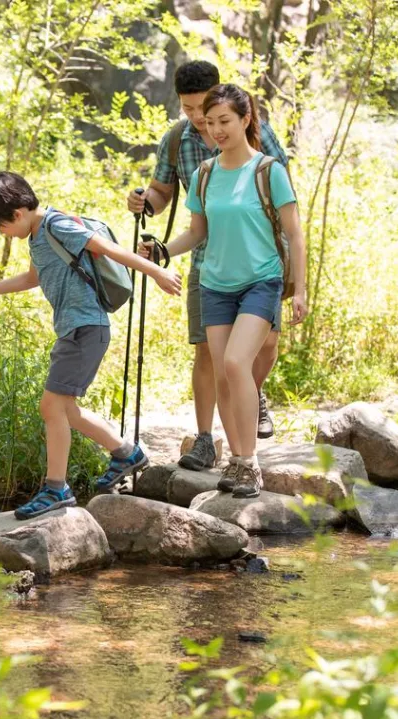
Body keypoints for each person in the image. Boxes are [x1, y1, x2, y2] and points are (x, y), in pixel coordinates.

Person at [0, 171, 182, 519]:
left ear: (18, 214)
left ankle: (56, 489)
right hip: (73, 330)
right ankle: (126, 454)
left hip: (86, 328)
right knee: (66, 410)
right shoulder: (37, 237)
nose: (1, 233)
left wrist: (155, 271)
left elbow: (108, 249)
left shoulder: (56, 226)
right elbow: (33, 278)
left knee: (51, 407)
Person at [127, 61, 289, 472]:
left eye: (205, 107)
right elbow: (163, 192)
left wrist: (290, 268)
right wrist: (146, 201)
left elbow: (279, 191)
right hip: (207, 262)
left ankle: (252, 394)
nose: (199, 118)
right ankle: (205, 439)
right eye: (188, 108)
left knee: (264, 346)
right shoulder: (178, 140)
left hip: (259, 259)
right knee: (208, 353)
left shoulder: (254, 130)